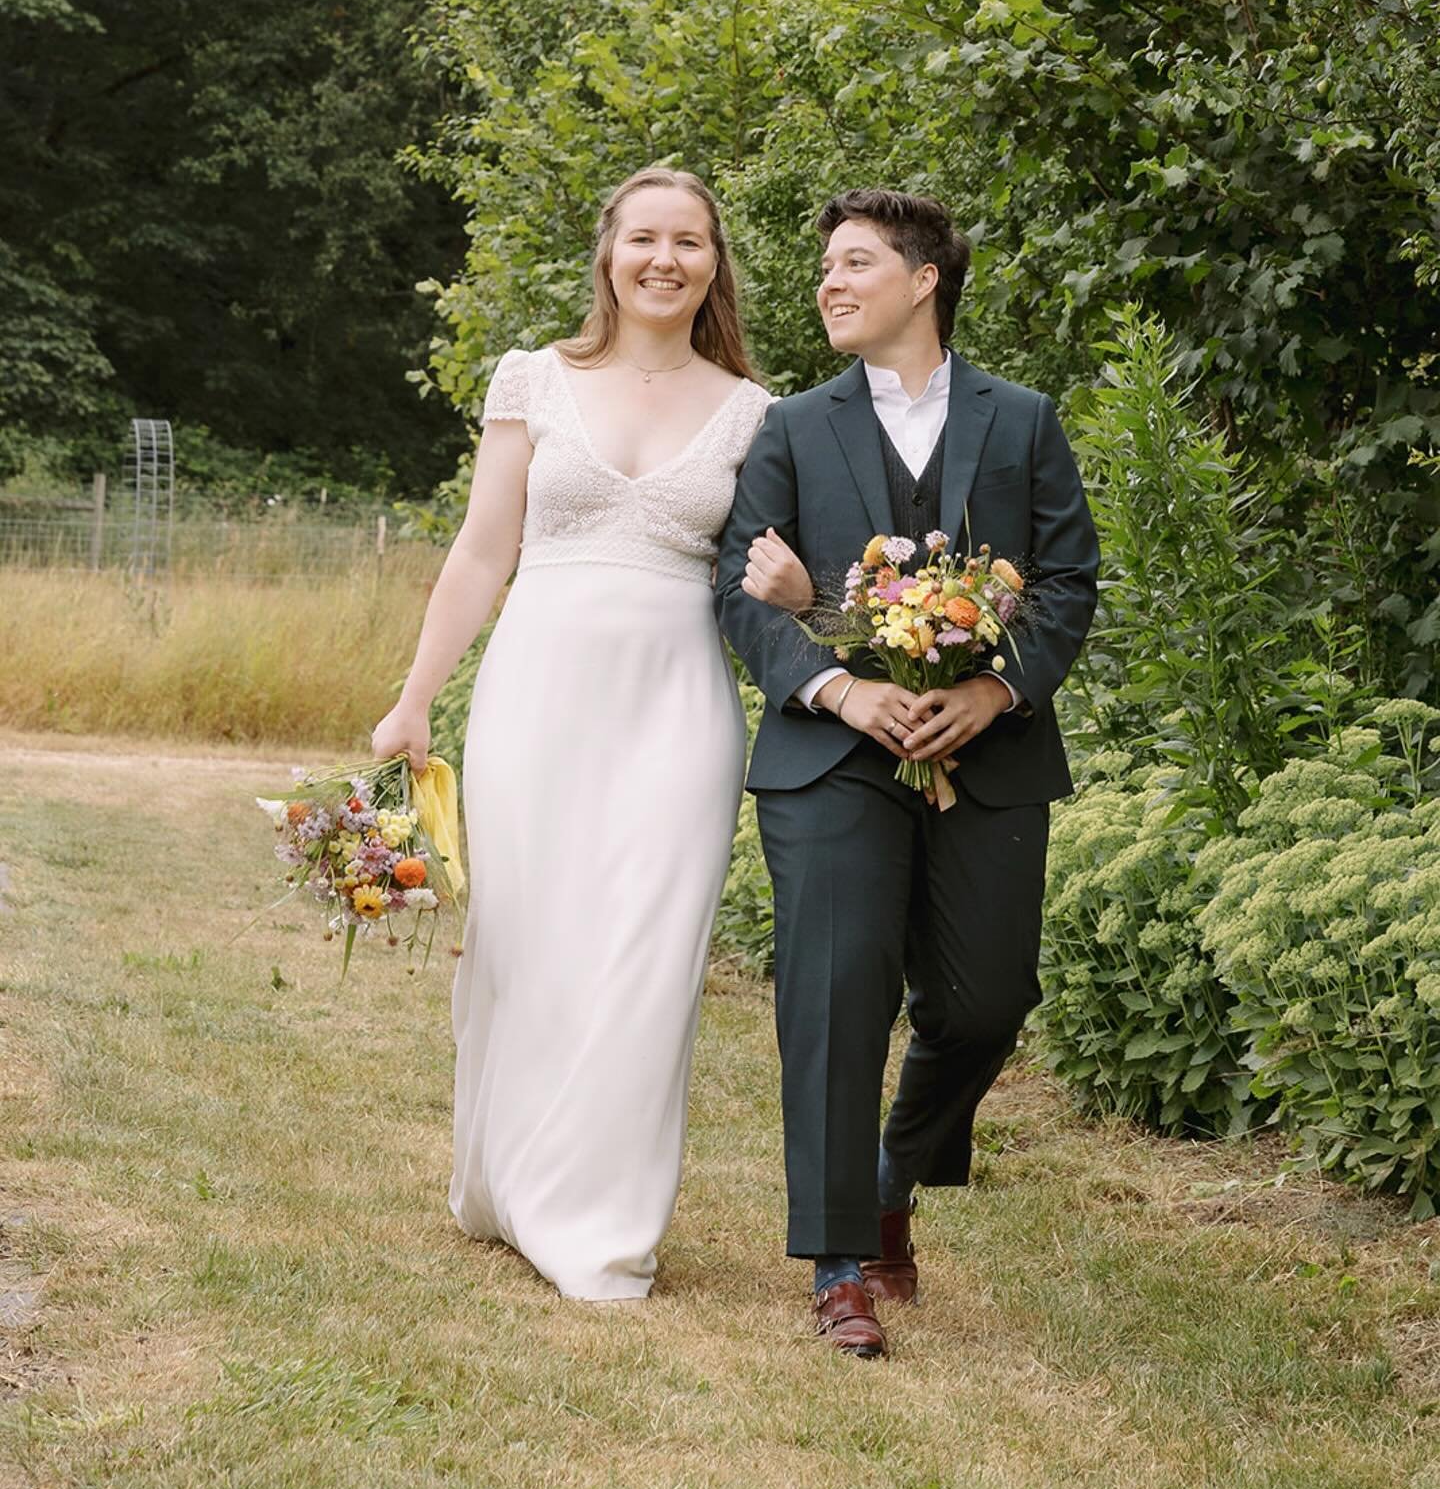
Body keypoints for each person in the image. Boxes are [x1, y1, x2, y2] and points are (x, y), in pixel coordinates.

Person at [372, 167, 773, 1300]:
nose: (665, 258)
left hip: (679, 708)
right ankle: (506, 1182)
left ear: (713, 263)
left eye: (688, 240)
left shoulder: (754, 412)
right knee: (530, 940)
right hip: (537, 693)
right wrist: (415, 695)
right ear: (608, 253)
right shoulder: (535, 378)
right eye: (643, 237)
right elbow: (480, 553)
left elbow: (766, 581)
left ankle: (598, 1224)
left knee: (649, 955)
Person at [716, 188, 1098, 1358]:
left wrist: (993, 690)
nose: (829, 283)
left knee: (987, 1000)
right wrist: (839, 684)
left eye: (854, 263)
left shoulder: (1024, 418)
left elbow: (1072, 581)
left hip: (991, 757)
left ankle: (891, 1173)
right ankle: (839, 1264)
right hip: (829, 758)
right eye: (825, 267)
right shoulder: (790, 425)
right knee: (835, 995)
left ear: (924, 279)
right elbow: (740, 577)